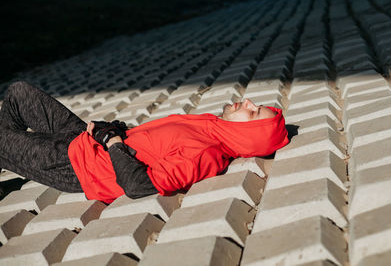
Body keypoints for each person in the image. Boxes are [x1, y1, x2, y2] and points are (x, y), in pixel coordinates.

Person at [0, 81, 289, 204]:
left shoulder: (206, 153)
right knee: (18, 93)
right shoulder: (212, 128)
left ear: (248, 134)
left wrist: (112, 141)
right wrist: (121, 132)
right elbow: (152, 145)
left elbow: (138, 186)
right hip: (86, 139)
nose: (248, 102)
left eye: (253, 112)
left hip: (78, 166)